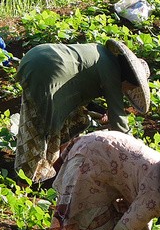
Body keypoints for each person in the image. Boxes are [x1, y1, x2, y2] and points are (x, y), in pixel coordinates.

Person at [15, 39, 150, 183]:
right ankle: (25, 181)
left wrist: (100, 110)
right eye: (129, 88)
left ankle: (62, 165)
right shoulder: (113, 73)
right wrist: (136, 151)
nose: (127, 91)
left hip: (37, 56)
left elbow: (78, 84)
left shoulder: (101, 53)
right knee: (42, 128)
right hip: (47, 72)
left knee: (75, 117)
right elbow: (119, 123)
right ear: (128, 80)